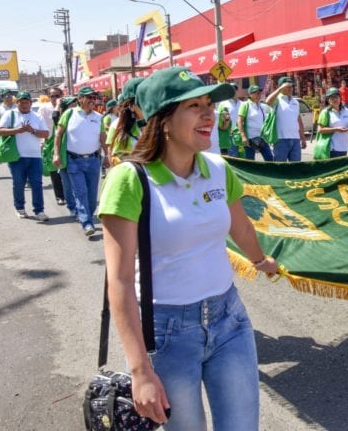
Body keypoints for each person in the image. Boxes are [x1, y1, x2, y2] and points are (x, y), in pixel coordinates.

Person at [99, 66, 279, 430]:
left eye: (209, 104)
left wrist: (261, 260)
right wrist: (140, 371)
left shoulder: (217, 168)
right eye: (194, 106)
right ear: (162, 120)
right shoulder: (129, 180)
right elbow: (118, 282)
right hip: (167, 333)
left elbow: (240, 226)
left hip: (230, 320)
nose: (209, 113)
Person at [53, 86, 110, 236]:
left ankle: (88, 216)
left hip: (93, 161)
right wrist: (56, 154)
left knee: (92, 196)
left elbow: (103, 138)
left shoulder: (99, 117)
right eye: (89, 97)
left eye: (93, 98)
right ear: (80, 99)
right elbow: (58, 135)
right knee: (80, 192)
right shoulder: (69, 114)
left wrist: (107, 156)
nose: (92, 100)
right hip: (74, 160)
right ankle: (86, 223)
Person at [0, 91, 50, 220]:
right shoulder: (10, 114)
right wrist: (19, 130)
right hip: (17, 156)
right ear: (17, 103)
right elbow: (0, 131)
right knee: (19, 183)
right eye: (22, 102)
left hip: (35, 156)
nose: (24, 104)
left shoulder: (37, 117)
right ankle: (20, 208)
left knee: (37, 184)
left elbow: (45, 134)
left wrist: (32, 130)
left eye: (27, 102)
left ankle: (39, 211)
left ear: (31, 103)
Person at [265, 76, 307, 162]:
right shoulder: (277, 100)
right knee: (280, 168)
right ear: (281, 87)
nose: (290, 89)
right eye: (287, 87)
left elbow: (298, 120)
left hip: (295, 139)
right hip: (281, 140)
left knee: (295, 167)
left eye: (291, 86)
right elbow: (268, 101)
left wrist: (302, 138)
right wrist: (280, 88)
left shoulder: (295, 102)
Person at [107, 78, 146, 165]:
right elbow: (115, 159)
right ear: (131, 106)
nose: (148, 104)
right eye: (142, 99)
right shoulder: (119, 129)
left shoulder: (163, 125)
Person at [52, 96, 78, 214]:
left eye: (76, 104)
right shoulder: (61, 119)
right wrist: (58, 104)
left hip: (79, 156)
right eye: (72, 105)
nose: (75, 107)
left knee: (79, 185)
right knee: (68, 183)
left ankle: (80, 208)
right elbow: (54, 116)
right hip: (64, 155)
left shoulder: (81, 118)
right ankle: (72, 207)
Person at [237, 84, 273, 161]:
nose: (258, 95)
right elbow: (239, 121)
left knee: (269, 158)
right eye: (256, 93)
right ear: (250, 94)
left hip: (262, 137)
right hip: (250, 138)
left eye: (259, 93)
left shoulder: (261, 106)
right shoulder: (245, 105)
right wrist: (243, 136)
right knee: (250, 160)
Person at [317, 87, 348, 157]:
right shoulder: (325, 112)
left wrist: (347, 129)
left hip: (344, 148)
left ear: (340, 97)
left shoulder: (347, 111)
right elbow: (320, 130)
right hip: (331, 149)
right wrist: (336, 129)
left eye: (336, 97)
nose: (335, 99)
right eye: (332, 98)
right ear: (328, 100)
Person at [218, 84, 246, 158]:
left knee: (242, 155)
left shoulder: (243, 104)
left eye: (235, 89)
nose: (233, 91)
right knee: (234, 156)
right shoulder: (223, 104)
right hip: (230, 135)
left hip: (241, 135)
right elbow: (220, 121)